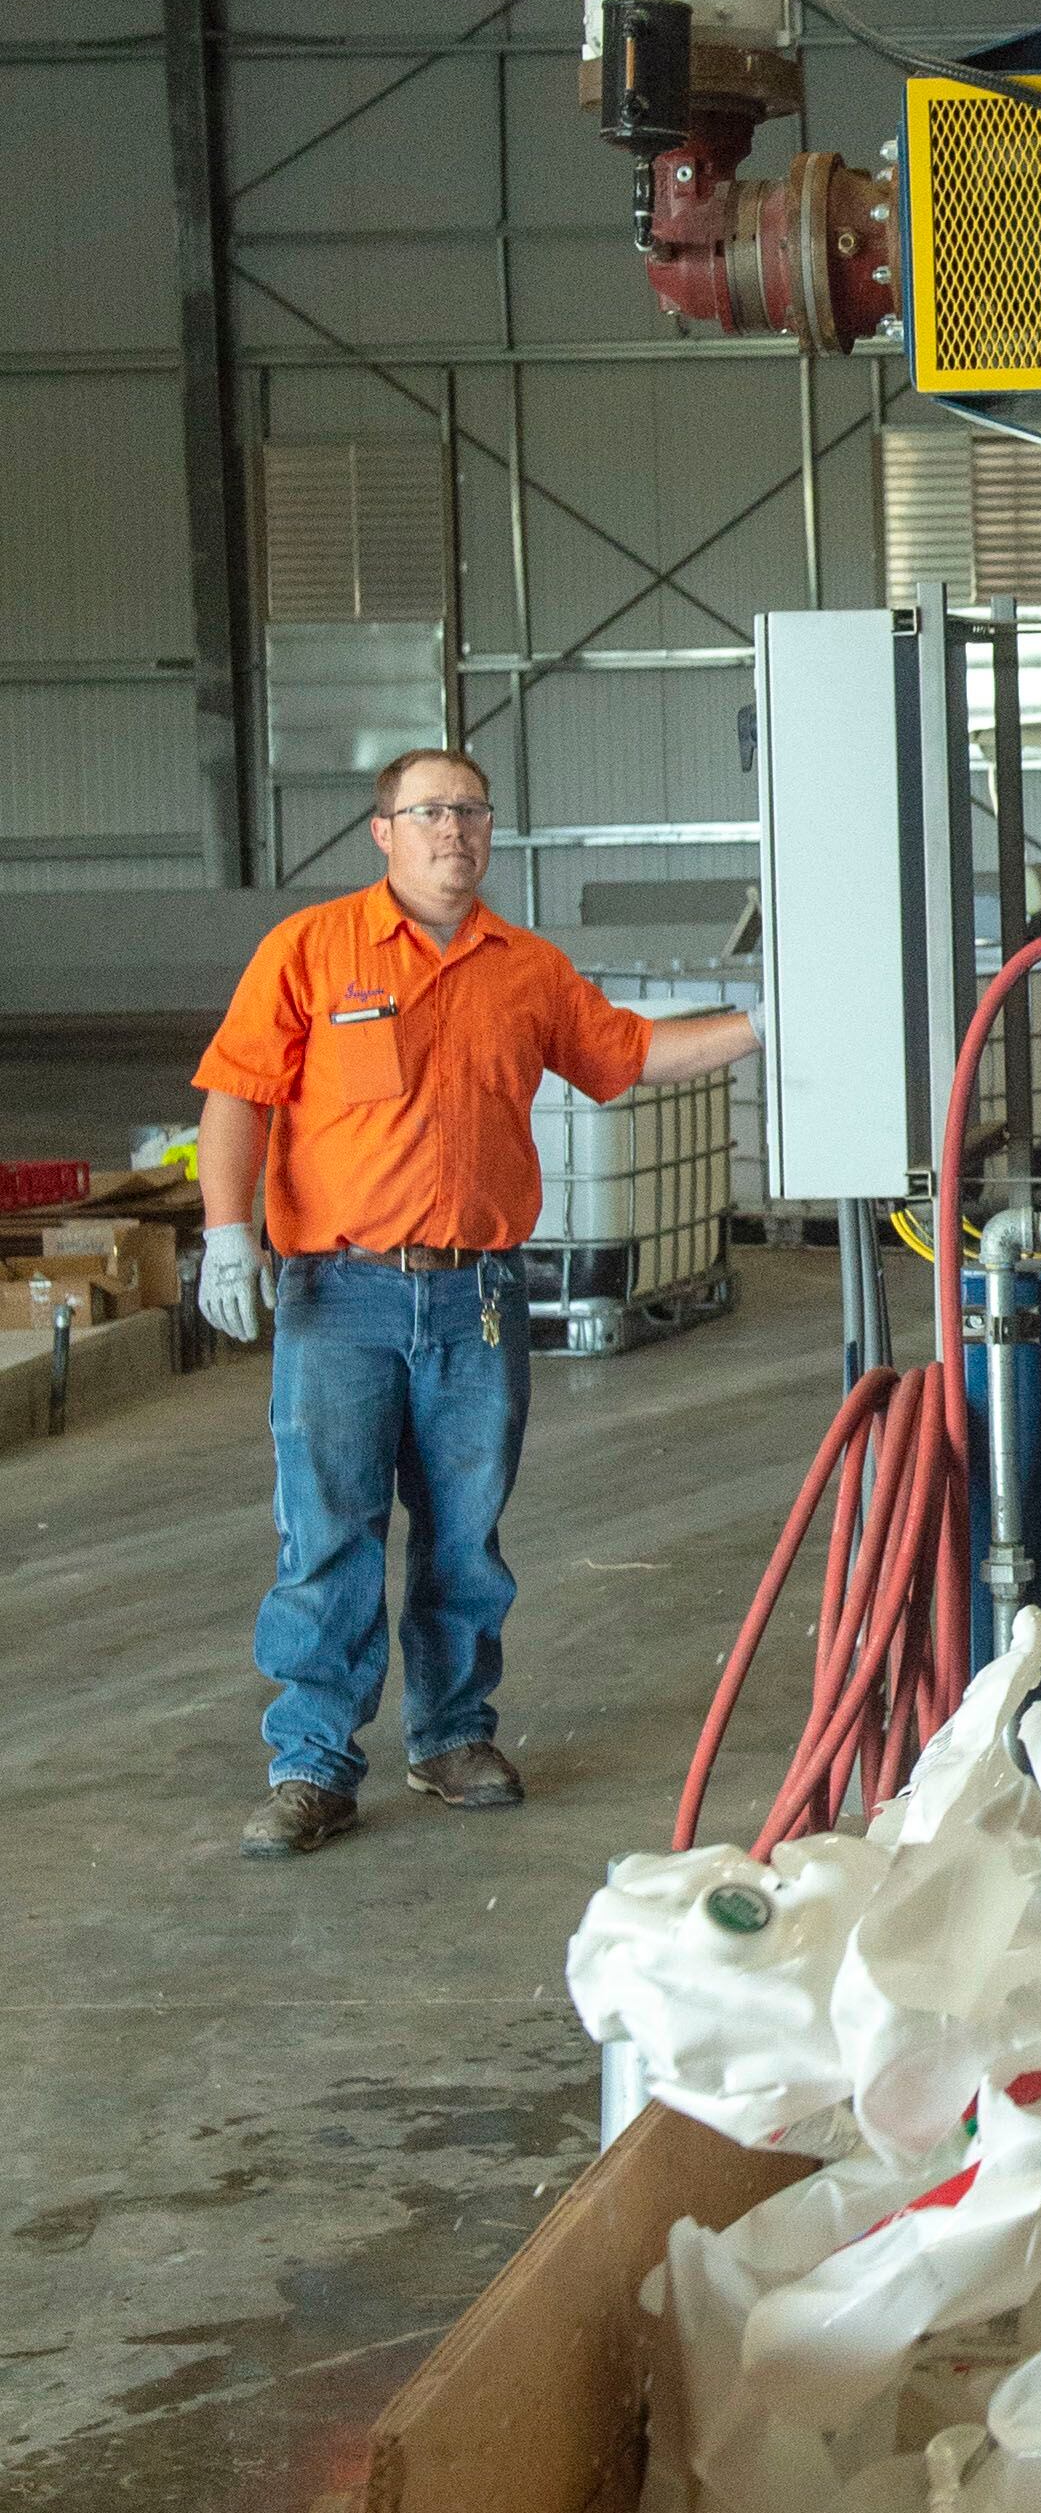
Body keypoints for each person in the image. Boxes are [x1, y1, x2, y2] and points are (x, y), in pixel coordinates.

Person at [193, 751, 759, 1863]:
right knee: (328, 1535)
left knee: (464, 1537)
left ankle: (452, 1739)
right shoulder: (310, 951)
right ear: (383, 831)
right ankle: (313, 1762)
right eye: (432, 812)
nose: (455, 831)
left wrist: (760, 1025)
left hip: (479, 1301)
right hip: (341, 1295)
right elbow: (236, 1095)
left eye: (472, 812)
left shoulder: (527, 969)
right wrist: (226, 1232)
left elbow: (629, 1055)